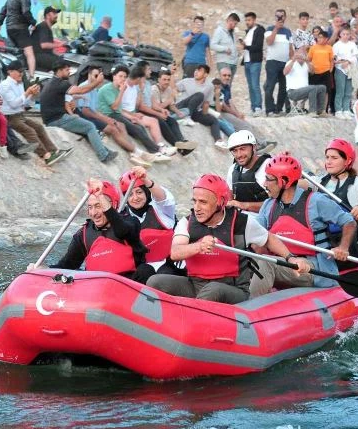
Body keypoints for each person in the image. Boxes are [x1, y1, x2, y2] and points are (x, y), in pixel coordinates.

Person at [147, 174, 297, 304]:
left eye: (203, 202)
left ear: (220, 202)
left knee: (213, 290)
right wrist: (198, 246)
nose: (197, 208)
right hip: (195, 285)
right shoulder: (186, 223)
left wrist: (290, 257)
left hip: (233, 289)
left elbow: (269, 239)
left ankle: (194, 320)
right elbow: (175, 253)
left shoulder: (242, 223)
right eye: (195, 201)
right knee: (155, 281)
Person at [249, 154, 352, 297]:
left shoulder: (316, 201)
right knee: (246, 260)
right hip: (285, 263)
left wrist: (343, 247)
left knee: (266, 263)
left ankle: (250, 307)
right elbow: (255, 234)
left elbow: (349, 221)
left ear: (284, 182)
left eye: (269, 179)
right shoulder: (268, 205)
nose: (265, 184)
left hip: (312, 267)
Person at [34, 179, 151, 283]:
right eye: (90, 207)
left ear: (113, 205)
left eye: (98, 206)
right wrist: (44, 270)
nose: (93, 213)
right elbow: (67, 265)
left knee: (146, 270)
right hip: (96, 288)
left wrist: (100, 196)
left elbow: (122, 231)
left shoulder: (131, 222)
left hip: (128, 286)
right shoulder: (83, 234)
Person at [40, 60, 117, 163]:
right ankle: (103, 155)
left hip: (53, 118)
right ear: (59, 70)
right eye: (67, 70)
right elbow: (81, 90)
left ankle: (105, 151)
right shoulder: (59, 83)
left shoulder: (52, 82)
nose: (69, 72)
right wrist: (97, 82)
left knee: (85, 127)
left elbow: (70, 97)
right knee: (90, 126)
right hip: (56, 119)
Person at [0, 59, 72, 166]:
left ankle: (54, 151)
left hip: (19, 115)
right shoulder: (5, 85)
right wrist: (27, 92)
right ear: (10, 71)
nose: (21, 74)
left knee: (39, 127)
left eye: (22, 71)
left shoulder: (19, 84)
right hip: (8, 117)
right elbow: (14, 104)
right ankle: (45, 156)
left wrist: (33, 95)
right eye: (19, 71)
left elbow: (25, 104)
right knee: (30, 131)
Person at [77, 65, 154, 167]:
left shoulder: (95, 88)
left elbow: (97, 109)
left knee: (124, 125)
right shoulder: (87, 87)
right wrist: (104, 118)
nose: (98, 78)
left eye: (99, 76)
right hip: (87, 117)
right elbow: (86, 111)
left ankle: (133, 152)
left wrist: (130, 115)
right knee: (115, 128)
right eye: (95, 75)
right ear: (89, 75)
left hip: (101, 114)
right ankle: (137, 152)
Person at [119, 167, 181, 279]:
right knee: (143, 272)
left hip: (170, 263)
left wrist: (145, 180)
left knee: (163, 275)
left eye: (139, 192)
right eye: (130, 195)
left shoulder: (161, 208)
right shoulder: (123, 217)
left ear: (146, 192)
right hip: (144, 267)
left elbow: (163, 198)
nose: (135, 198)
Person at [135, 61, 197, 155]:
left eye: (168, 79)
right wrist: (159, 112)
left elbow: (153, 103)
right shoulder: (141, 85)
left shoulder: (147, 84)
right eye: (148, 69)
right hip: (144, 111)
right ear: (142, 70)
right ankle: (178, 146)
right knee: (161, 121)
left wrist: (162, 110)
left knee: (172, 120)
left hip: (151, 109)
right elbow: (141, 107)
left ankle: (182, 141)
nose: (151, 71)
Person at [217, 67, 276, 152]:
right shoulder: (218, 86)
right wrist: (236, 114)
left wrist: (238, 113)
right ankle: (256, 146)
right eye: (224, 75)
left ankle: (263, 143)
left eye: (229, 75)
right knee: (244, 126)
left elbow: (230, 102)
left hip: (227, 112)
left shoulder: (226, 86)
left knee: (249, 125)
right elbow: (223, 106)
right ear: (220, 76)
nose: (227, 77)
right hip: (220, 113)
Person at [174, 64, 227, 149]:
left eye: (199, 70)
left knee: (213, 120)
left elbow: (206, 103)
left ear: (205, 74)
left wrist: (205, 116)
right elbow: (173, 88)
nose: (196, 72)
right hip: (180, 107)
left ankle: (218, 140)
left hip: (194, 111)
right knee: (199, 95)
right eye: (196, 70)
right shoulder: (187, 81)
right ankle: (186, 116)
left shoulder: (209, 86)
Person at [0, 0, 37, 78]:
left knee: (16, 55)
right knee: (29, 53)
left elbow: (4, 10)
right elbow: (26, 12)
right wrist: (33, 22)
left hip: (10, 29)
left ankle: (15, 76)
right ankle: (31, 77)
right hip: (20, 28)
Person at [226, 130, 271, 212]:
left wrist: (243, 205)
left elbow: (276, 204)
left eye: (242, 149)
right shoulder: (233, 169)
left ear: (254, 147)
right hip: (241, 218)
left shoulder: (269, 166)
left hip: (267, 218)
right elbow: (229, 199)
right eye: (235, 151)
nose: (239, 155)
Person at [263, 9, 293, 116]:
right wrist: (276, 28)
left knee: (283, 87)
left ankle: (278, 109)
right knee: (270, 86)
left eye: (282, 16)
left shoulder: (288, 31)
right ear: (275, 17)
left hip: (285, 63)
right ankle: (269, 110)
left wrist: (292, 61)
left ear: (285, 17)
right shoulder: (269, 29)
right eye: (278, 16)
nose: (280, 18)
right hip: (272, 62)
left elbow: (290, 49)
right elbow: (269, 42)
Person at [284, 51, 328, 117]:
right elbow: (285, 72)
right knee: (312, 88)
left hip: (305, 91)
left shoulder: (306, 64)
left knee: (322, 87)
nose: (301, 57)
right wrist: (293, 60)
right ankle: (312, 111)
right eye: (299, 55)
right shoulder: (290, 62)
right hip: (292, 92)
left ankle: (320, 111)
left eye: (303, 55)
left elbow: (312, 72)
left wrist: (307, 61)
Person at [241, 12, 265, 116]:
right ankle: (253, 107)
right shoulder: (248, 31)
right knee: (250, 85)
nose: (247, 22)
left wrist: (245, 46)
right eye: (246, 20)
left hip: (255, 61)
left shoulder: (259, 30)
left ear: (254, 20)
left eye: (249, 20)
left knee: (255, 85)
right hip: (247, 61)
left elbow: (258, 46)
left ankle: (258, 107)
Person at [332, 27, 358, 118]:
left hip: (350, 69)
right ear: (340, 35)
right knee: (340, 90)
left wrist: (348, 61)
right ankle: (338, 110)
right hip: (340, 69)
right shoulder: (336, 45)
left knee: (348, 91)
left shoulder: (352, 44)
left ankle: (346, 109)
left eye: (347, 34)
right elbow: (335, 58)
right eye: (343, 34)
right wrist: (342, 61)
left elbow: (355, 57)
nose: (345, 36)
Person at [308, 30, 335, 114]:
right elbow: (309, 60)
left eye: (321, 37)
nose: (319, 39)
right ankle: (314, 109)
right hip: (314, 73)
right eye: (318, 37)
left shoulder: (329, 48)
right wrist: (310, 69)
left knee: (326, 91)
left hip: (326, 72)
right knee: (314, 91)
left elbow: (331, 60)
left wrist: (330, 70)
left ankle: (323, 110)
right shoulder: (313, 48)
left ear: (326, 39)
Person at [31, 6, 60, 73]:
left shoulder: (46, 27)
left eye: (56, 13)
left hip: (43, 55)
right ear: (47, 15)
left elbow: (50, 50)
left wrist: (61, 55)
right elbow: (44, 45)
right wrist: (59, 44)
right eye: (54, 13)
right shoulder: (43, 26)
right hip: (38, 56)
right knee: (60, 63)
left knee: (63, 60)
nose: (56, 16)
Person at [210, 12, 240, 78]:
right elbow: (212, 45)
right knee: (224, 83)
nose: (235, 26)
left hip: (233, 63)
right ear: (230, 20)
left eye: (236, 24)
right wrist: (225, 49)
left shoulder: (233, 33)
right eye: (235, 23)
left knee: (229, 84)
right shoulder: (219, 30)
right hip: (224, 62)